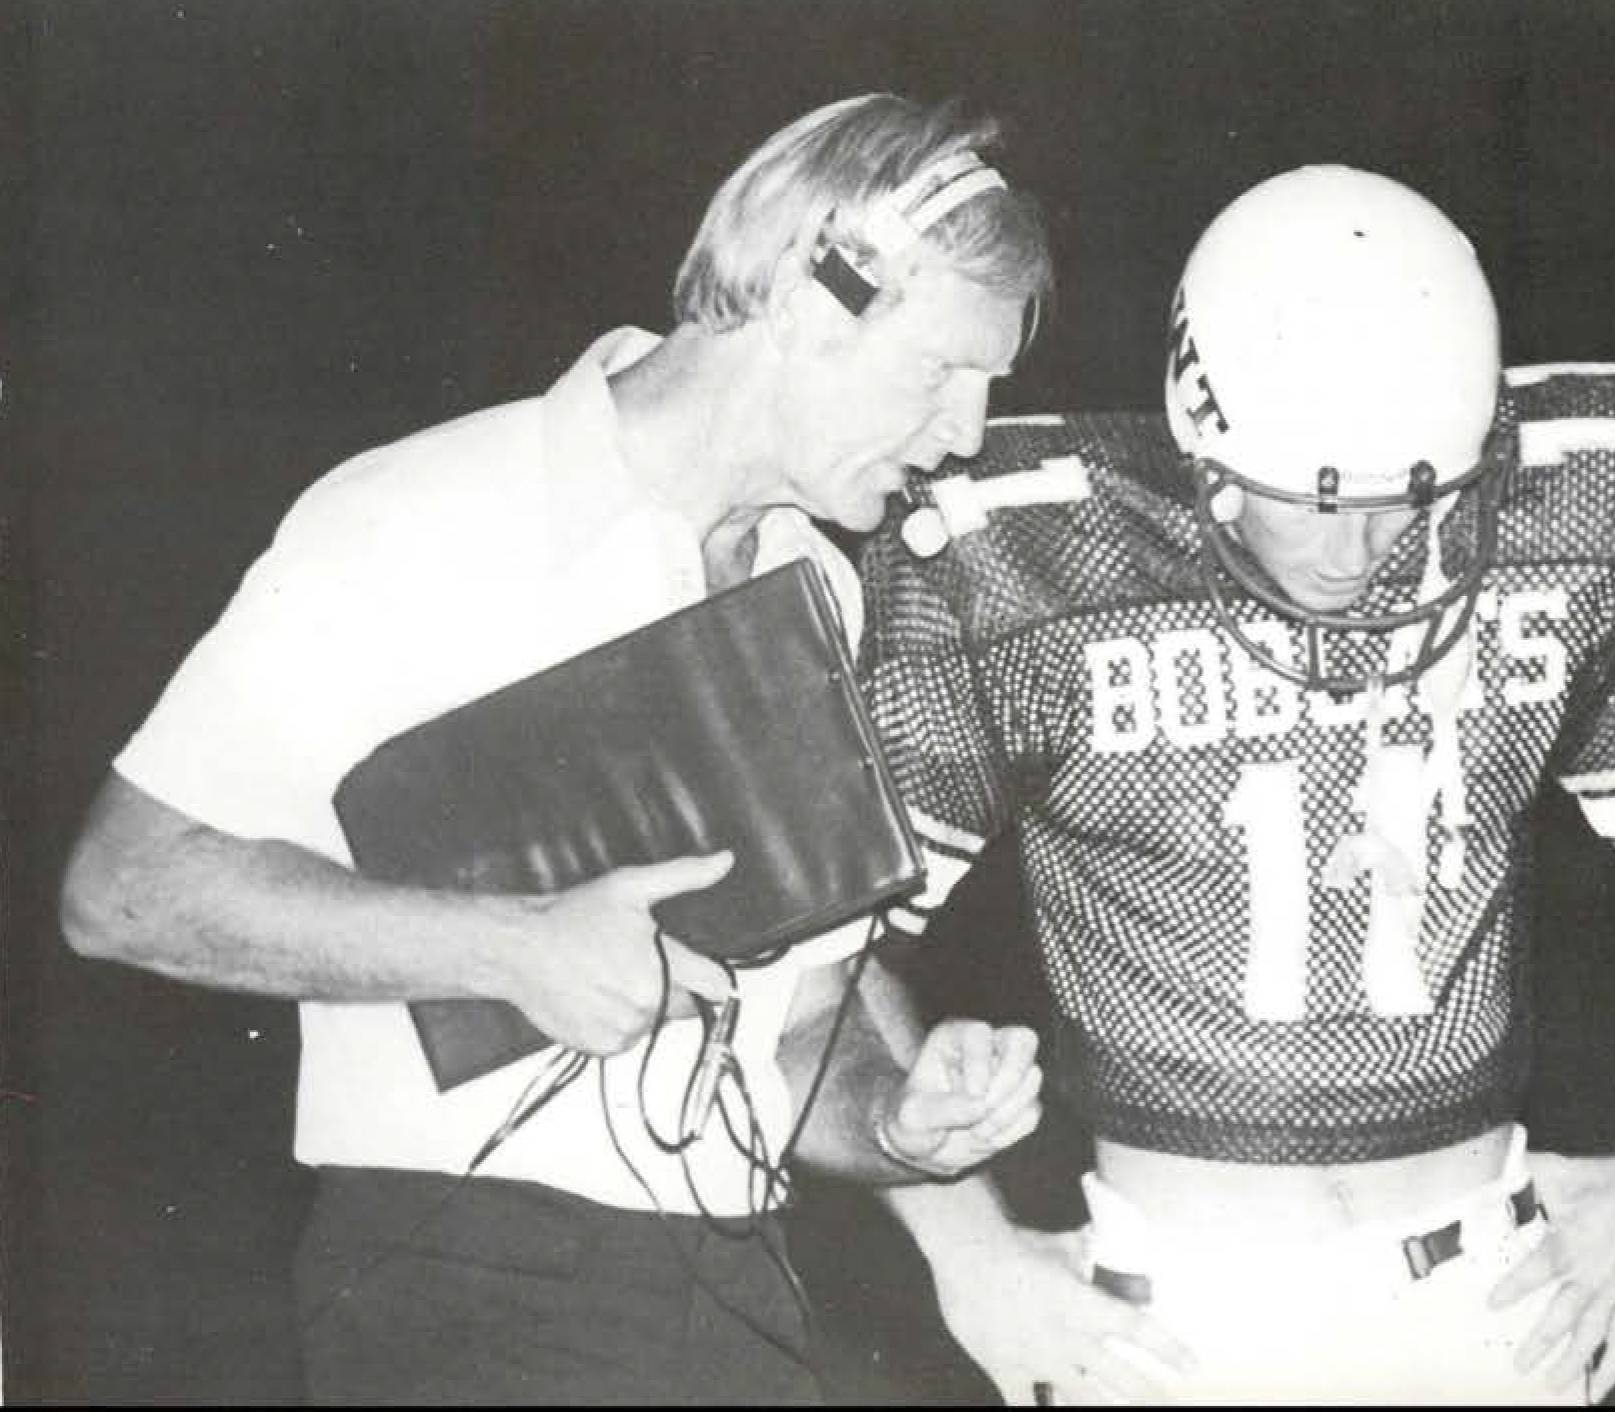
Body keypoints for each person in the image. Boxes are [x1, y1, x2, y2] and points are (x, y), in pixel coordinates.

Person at [57, 93, 1178, 1405]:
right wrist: (510, 945)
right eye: (939, 371)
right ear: (814, 303)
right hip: (467, 1282)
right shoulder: (417, 519)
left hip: (740, 1286)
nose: (967, 434)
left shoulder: (817, 579)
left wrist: (898, 1118)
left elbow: (805, 1019)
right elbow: (122, 889)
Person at [857, 164, 1615, 1403]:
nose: (1354, 553)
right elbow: (818, 954)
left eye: (1403, 503)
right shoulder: (1018, 556)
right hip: (1169, 1323)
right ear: (1202, 434)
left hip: (1488, 1296)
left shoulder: (1592, 493)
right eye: (1306, 505)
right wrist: (969, 1251)